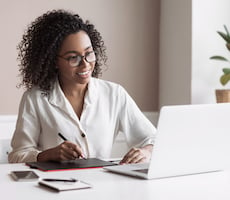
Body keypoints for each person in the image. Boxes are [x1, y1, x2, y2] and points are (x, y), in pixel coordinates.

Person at [8, 9, 156, 164]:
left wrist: (146, 152)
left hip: (102, 184)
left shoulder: (114, 94)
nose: (85, 64)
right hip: (54, 185)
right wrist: (47, 155)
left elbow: (153, 138)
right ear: (53, 61)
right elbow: (17, 155)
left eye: (89, 53)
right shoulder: (35, 98)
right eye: (73, 57)